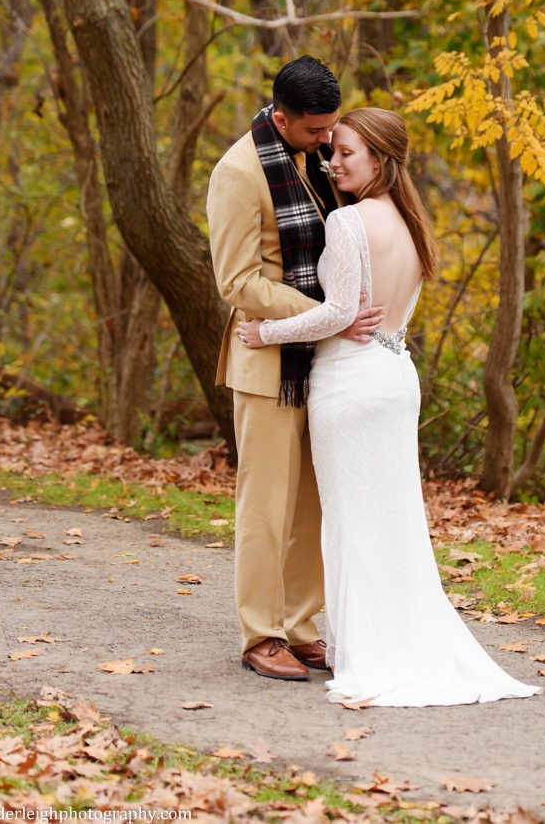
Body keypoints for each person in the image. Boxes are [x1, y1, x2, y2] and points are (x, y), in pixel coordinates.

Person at [237, 109, 539, 707]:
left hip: (351, 387)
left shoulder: (349, 222)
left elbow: (338, 313)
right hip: (395, 376)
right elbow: (371, 313)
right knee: (392, 522)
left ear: (380, 158)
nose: (334, 160)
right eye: (335, 150)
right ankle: (395, 640)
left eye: (347, 151)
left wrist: (264, 335)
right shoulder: (411, 222)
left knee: (351, 523)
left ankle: (371, 652)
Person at [206, 57, 382, 682]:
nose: (326, 143)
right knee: (267, 504)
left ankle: (303, 626)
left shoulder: (315, 158)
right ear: (280, 117)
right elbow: (238, 281)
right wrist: (324, 313)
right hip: (267, 360)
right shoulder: (237, 174)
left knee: (313, 502)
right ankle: (261, 634)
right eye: (314, 132)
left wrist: (333, 321)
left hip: (324, 356)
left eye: (329, 131)